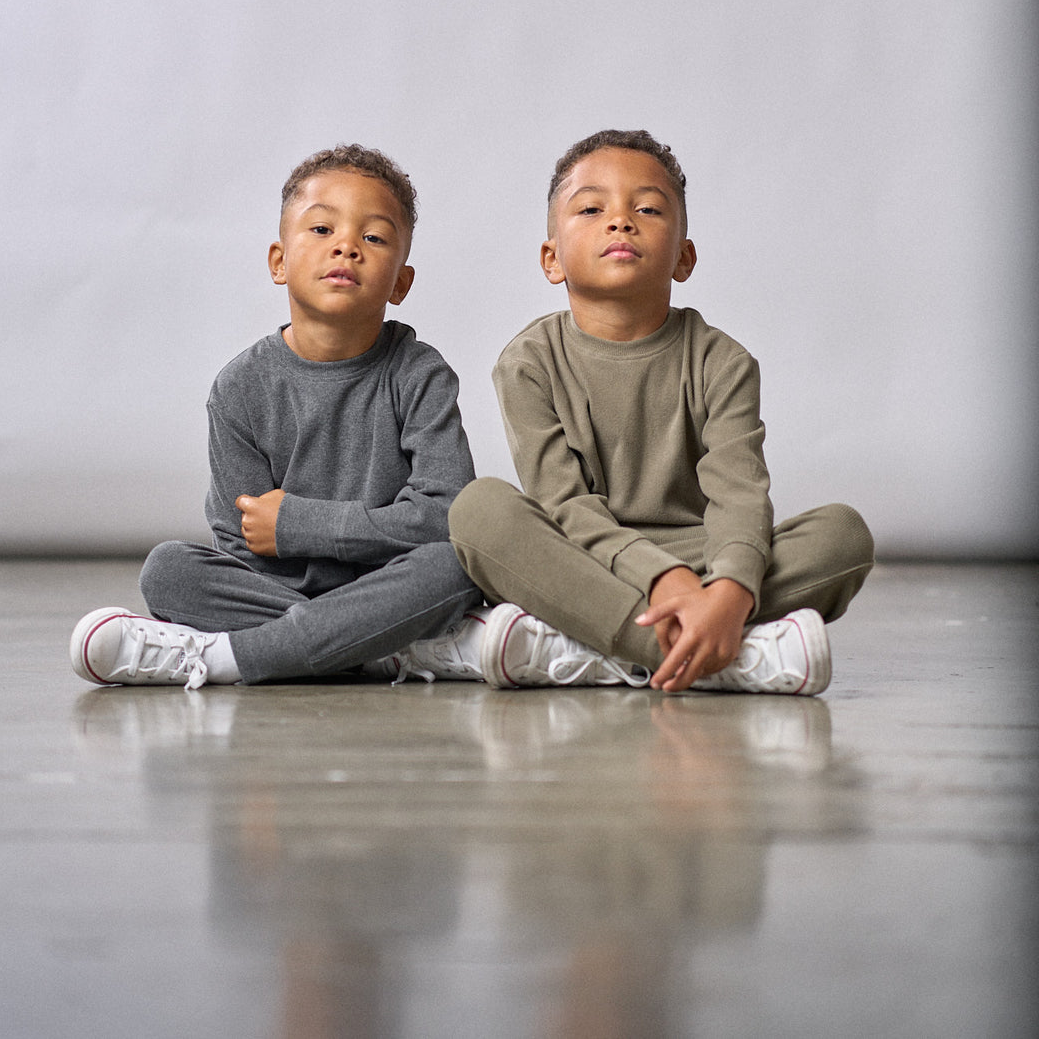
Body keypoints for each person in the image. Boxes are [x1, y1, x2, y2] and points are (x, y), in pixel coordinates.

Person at [381, 128, 874, 695]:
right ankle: (723, 653)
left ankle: (594, 642)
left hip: (699, 555)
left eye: (647, 208)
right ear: (552, 259)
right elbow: (563, 506)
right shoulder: (527, 363)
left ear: (684, 257)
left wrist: (731, 589)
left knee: (843, 535)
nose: (620, 221)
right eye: (591, 208)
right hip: (582, 557)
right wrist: (660, 580)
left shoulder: (724, 361)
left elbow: (738, 498)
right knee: (479, 513)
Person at [70, 144, 483, 690]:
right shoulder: (240, 387)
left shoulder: (419, 373)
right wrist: (351, 600)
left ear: (401, 283)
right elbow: (240, 540)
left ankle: (225, 658)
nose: (346, 247)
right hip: (294, 593)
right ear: (279, 262)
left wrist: (298, 525)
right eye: (320, 230)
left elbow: (445, 515)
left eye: (374, 237)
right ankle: (391, 648)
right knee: (169, 570)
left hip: (394, 583)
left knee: (452, 569)